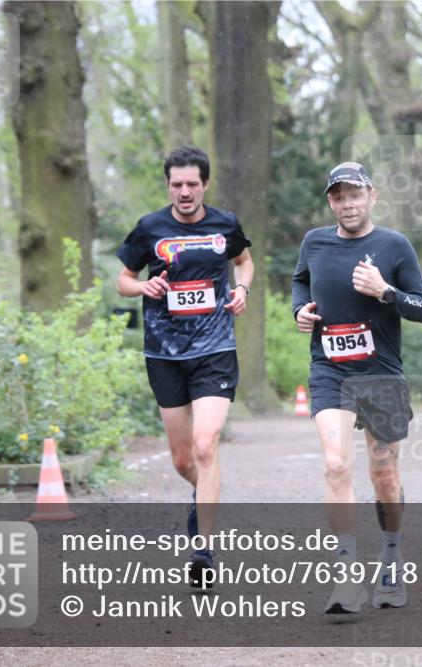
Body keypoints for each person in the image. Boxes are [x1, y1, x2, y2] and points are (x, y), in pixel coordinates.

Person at [292, 161, 422, 613]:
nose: (347, 204)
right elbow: (300, 281)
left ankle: (391, 557)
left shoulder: (394, 246)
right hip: (330, 371)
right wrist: (300, 310)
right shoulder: (314, 243)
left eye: (355, 195)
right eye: (339, 196)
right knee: (336, 465)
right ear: (330, 201)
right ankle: (347, 578)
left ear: (371, 196)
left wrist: (385, 291)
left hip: (381, 374)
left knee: (384, 475)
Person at [116, 145, 253, 586]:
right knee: (182, 459)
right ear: (168, 186)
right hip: (164, 353)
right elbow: (123, 280)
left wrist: (242, 290)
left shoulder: (225, 224)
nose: (185, 192)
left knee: (205, 446)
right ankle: (205, 491)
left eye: (192, 183)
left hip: (214, 349)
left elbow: (244, 262)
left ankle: (204, 551)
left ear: (205, 184)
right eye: (177, 184)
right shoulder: (150, 228)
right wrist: (143, 287)